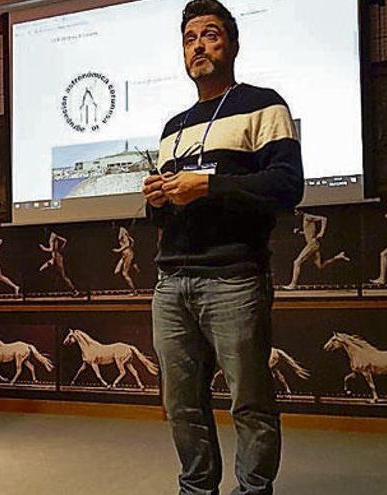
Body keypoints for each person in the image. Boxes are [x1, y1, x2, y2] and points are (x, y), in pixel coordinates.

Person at [140, 1, 304, 493]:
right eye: (189, 39)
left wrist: (208, 186)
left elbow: (286, 185)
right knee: (181, 404)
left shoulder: (264, 104)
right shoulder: (174, 126)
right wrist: (157, 199)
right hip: (171, 282)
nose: (198, 46)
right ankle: (197, 488)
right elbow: (168, 212)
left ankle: (254, 490)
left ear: (231, 44)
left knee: (249, 402)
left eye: (209, 35)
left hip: (234, 276)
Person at [283, 211, 350, 289]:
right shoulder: (304, 220)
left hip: (312, 244)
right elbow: (310, 232)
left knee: (297, 262)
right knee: (320, 266)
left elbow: (324, 219)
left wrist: (322, 232)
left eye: (296, 211)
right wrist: (300, 232)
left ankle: (293, 284)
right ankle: (338, 257)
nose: (295, 213)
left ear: (300, 211)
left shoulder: (307, 217)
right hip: (314, 244)